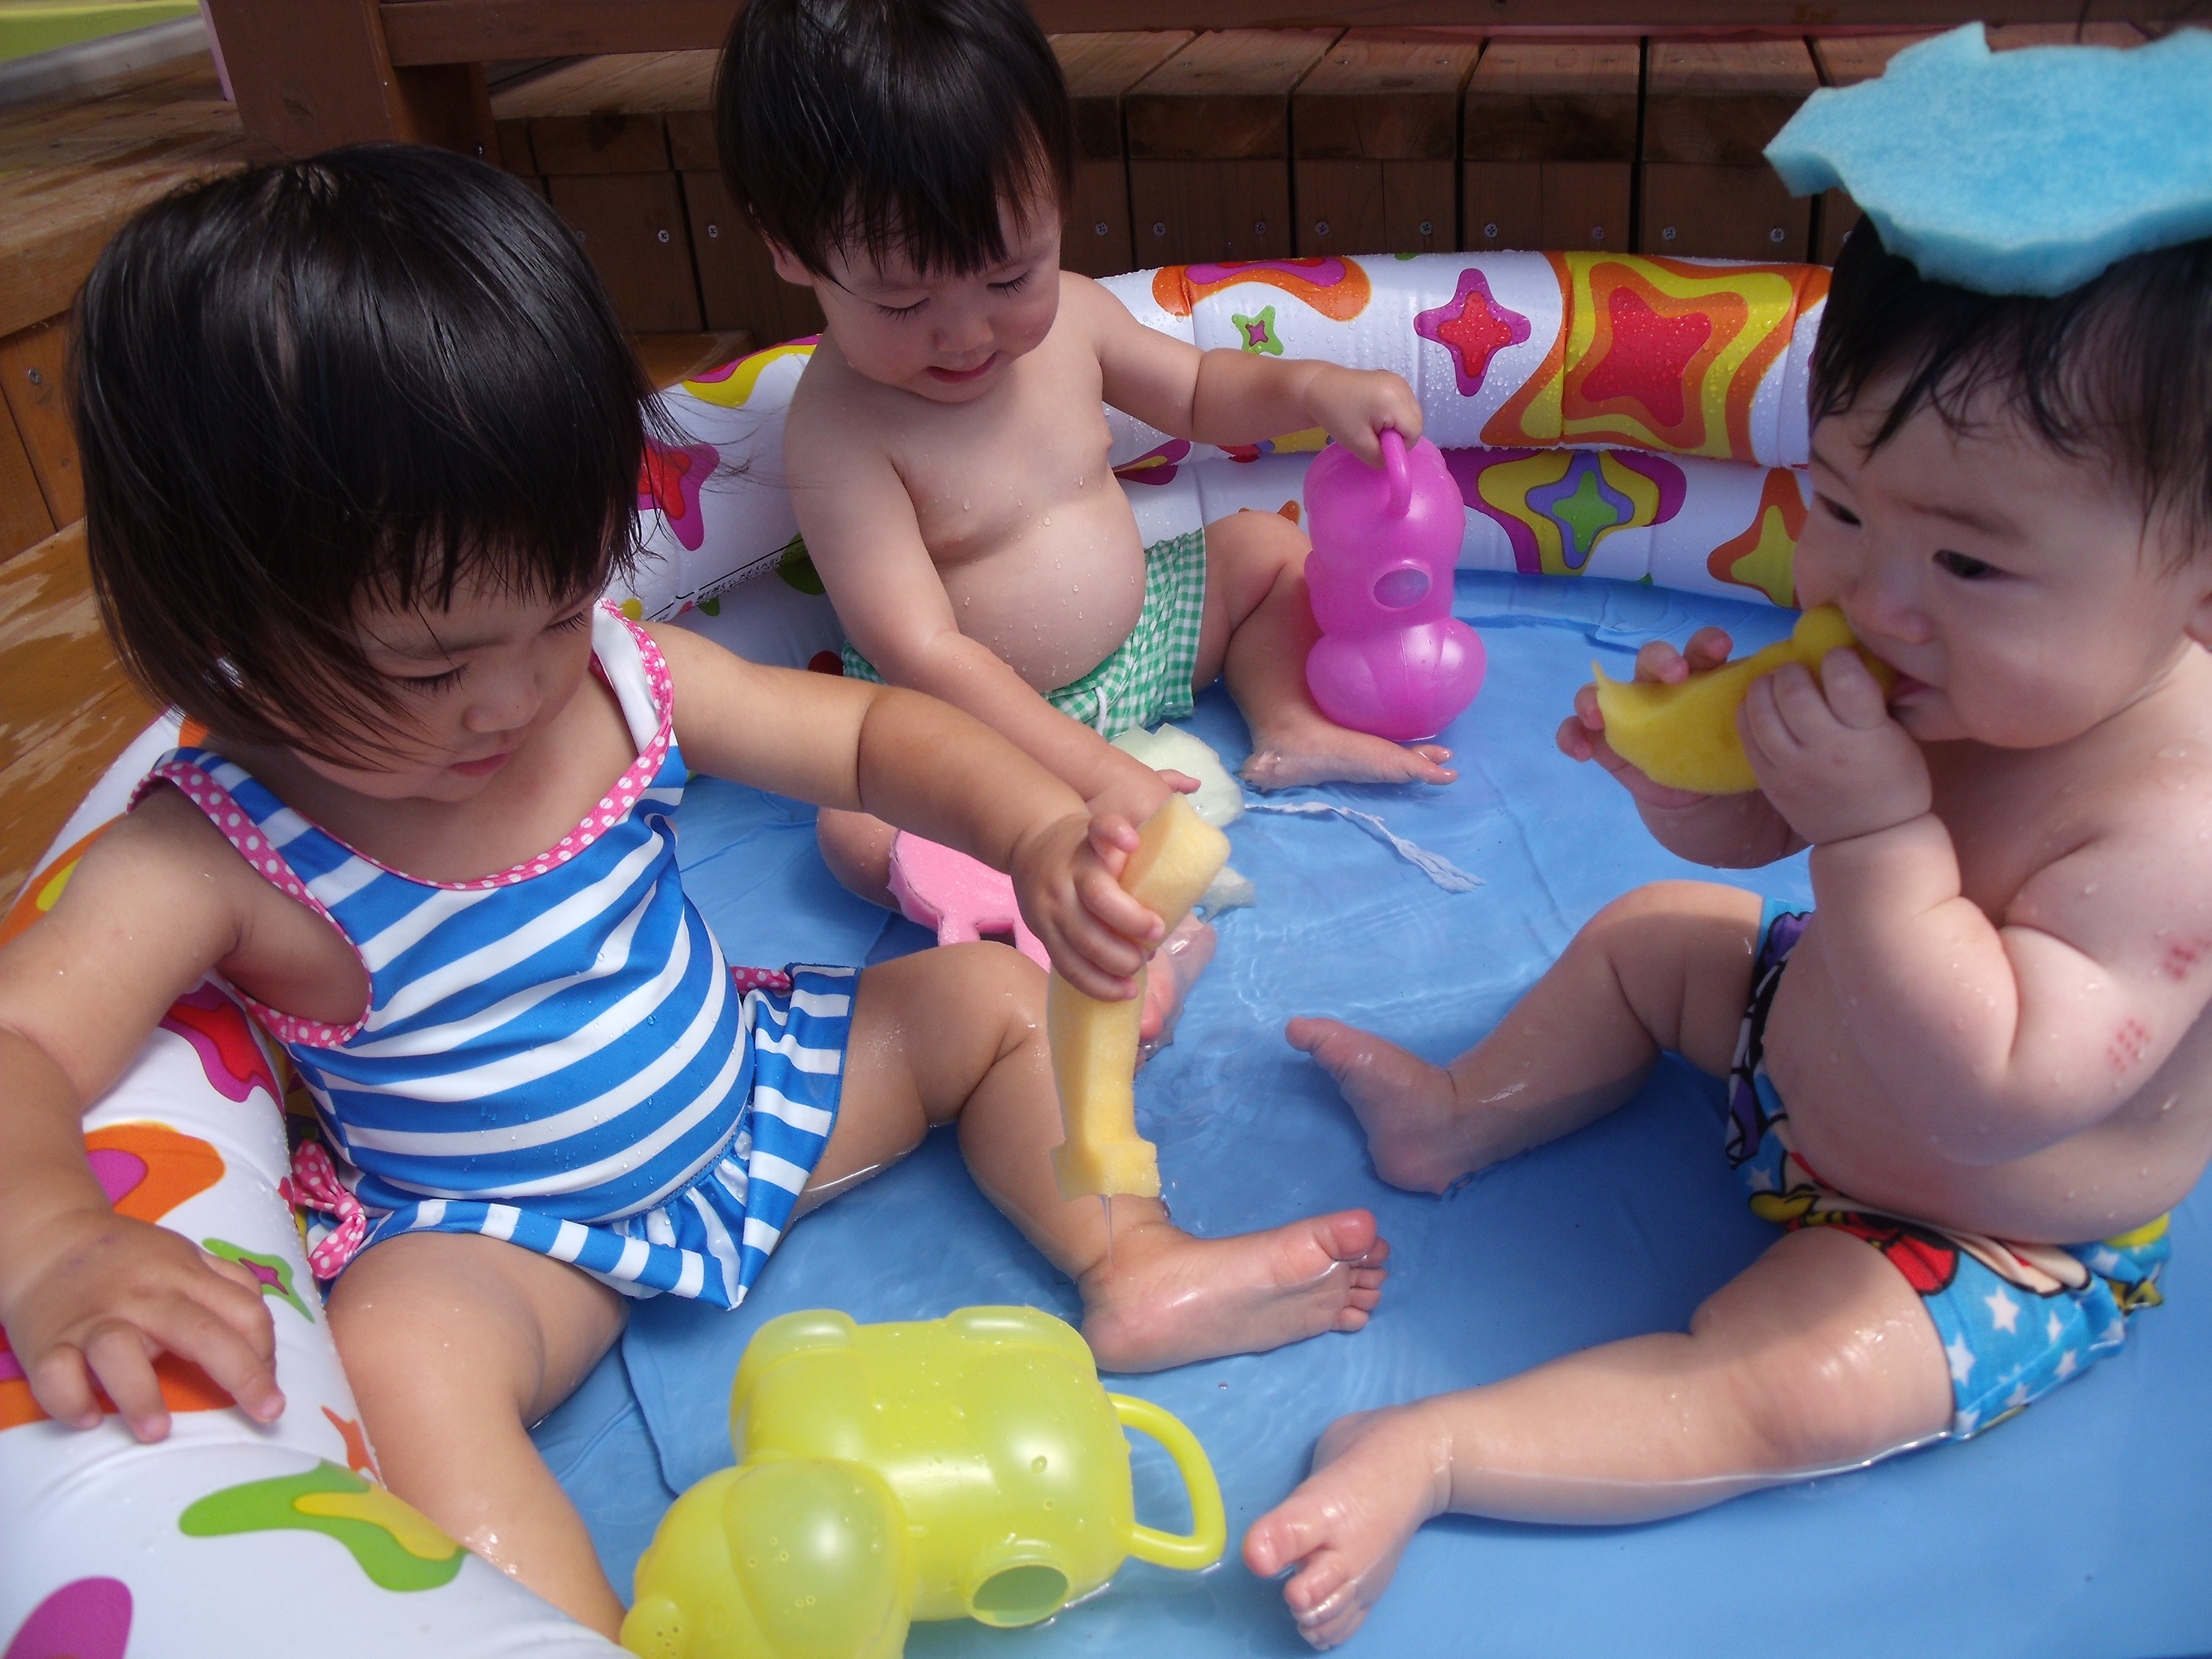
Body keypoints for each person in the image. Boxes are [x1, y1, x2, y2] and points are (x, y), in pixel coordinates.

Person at [0, 147, 1389, 1640]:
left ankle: (1135, 1260)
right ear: (219, 626)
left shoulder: (615, 682)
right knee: (400, 1359)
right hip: (506, 1233)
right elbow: (21, 1042)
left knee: (991, 1002)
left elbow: (867, 737)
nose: (517, 696)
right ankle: (556, 1626)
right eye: (432, 667)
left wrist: (1038, 832)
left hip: (755, 1096)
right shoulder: (216, 848)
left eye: (560, 604)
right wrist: (57, 1238)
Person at [1243, 213, 2212, 1648]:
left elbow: (1998, 1090)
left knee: (1795, 1391)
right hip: (1804, 1043)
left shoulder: (2177, 823)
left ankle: (1438, 1448)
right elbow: (1764, 836)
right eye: (1843, 508)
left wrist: (1874, 831)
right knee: (1655, 932)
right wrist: (1687, 779)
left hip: (1973, 1225)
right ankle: (1459, 1112)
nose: (1875, 600)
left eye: (1969, 564)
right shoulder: (1956, 658)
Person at [715, 0, 1451, 1037]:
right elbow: (922, 650)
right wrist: (1091, 772)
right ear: (790, 249)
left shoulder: (1077, 321)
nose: (967, 332)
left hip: (1144, 640)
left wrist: (1311, 387)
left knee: (1265, 551)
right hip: (972, 727)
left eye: (1009, 275)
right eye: (903, 304)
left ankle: (1288, 723)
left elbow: (1199, 392)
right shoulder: (840, 431)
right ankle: (1057, 917)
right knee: (852, 828)